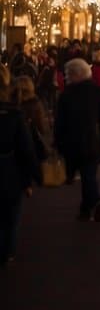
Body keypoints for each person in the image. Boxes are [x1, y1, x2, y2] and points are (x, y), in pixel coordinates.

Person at [54, 58, 100, 222]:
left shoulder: (67, 95)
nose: (66, 78)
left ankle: (95, 200)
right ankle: (86, 209)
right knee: (89, 175)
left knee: (86, 176)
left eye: (68, 74)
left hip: (72, 142)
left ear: (76, 74)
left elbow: (60, 121)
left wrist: (58, 142)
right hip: (93, 141)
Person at [0, 80, 39, 269]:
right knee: (12, 214)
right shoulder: (15, 116)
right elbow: (26, 151)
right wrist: (30, 180)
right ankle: (8, 251)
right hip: (10, 169)